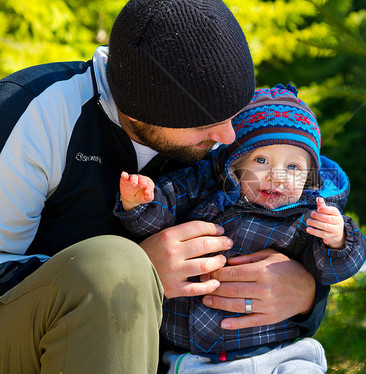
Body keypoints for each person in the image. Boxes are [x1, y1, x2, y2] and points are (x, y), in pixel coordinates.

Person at [0, 1, 328, 373]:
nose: (228, 135)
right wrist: (139, 274)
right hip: (23, 343)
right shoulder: (35, 114)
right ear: (139, 110)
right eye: (205, 122)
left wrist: (306, 294)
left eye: (233, 114)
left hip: (181, 356)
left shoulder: (220, 140)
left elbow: (281, 227)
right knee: (117, 266)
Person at [115, 84, 366, 373]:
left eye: (294, 168)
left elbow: (332, 270)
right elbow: (158, 219)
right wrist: (140, 203)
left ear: (311, 177)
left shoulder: (310, 216)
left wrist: (338, 239)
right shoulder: (205, 190)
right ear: (235, 165)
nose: (277, 176)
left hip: (283, 351)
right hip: (200, 358)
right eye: (261, 160)